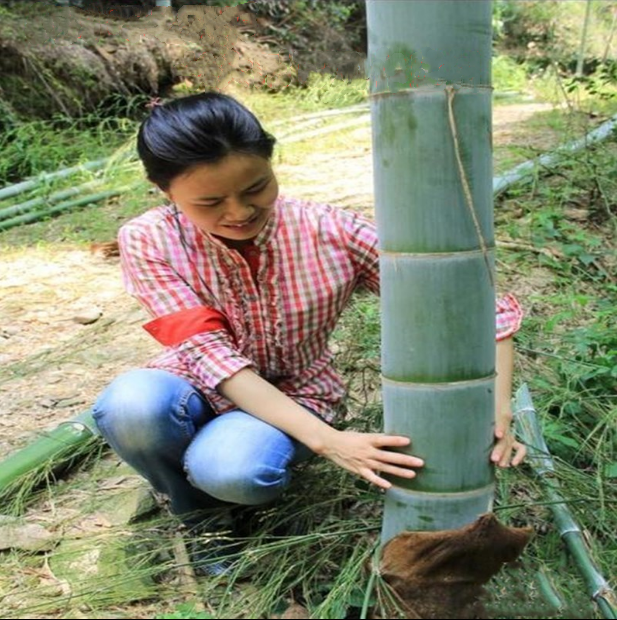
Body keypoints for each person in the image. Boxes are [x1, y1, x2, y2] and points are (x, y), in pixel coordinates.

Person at [91, 91, 526, 575]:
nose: (238, 212)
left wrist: (498, 406)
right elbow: (210, 356)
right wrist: (328, 442)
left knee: (235, 471)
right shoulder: (149, 239)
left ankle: (221, 474)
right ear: (165, 191)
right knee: (131, 406)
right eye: (210, 202)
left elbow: (470, 305)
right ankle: (199, 516)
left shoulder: (326, 229)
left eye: (256, 187)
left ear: (272, 163)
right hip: (193, 382)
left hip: (297, 394)